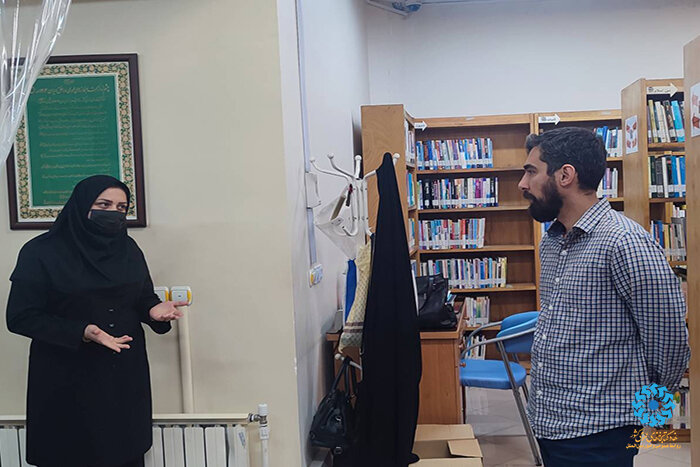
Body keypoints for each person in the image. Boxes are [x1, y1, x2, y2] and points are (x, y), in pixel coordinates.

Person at [517, 128, 690, 467]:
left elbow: (669, 340)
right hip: (551, 422)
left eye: (531, 171)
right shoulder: (551, 241)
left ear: (565, 175)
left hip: (601, 431)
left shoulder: (624, 242)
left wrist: (645, 413)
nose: (522, 184)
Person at [6, 175, 188, 467]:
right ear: (81, 205)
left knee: (124, 451)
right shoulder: (41, 252)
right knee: (69, 453)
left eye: (121, 207)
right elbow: (20, 317)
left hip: (122, 376)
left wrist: (154, 310)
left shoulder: (128, 249)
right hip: (66, 377)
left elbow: (141, 297)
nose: (113, 212)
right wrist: (84, 331)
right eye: (104, 204)